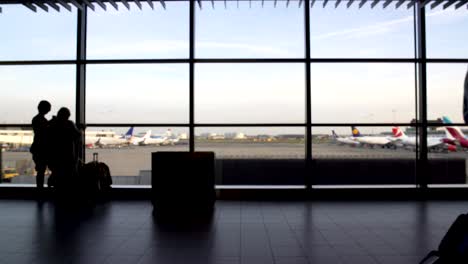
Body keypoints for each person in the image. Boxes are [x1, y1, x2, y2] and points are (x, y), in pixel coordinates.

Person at [47, 107, 81, 192]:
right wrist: (81, 129)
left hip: (55, 154)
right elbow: (77, 135)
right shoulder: (69, 124)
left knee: (57, 173)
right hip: (68, 154)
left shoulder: (51, 123)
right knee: (69, 174)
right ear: (67, 116)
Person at [30, 100, 51, 189]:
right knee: (41, 170)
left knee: (40, 170)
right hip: (41, 148)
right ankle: (40, 188)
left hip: (37, 147)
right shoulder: (42, 120)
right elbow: (44, 132)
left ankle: (40, 188)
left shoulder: (36, 119)